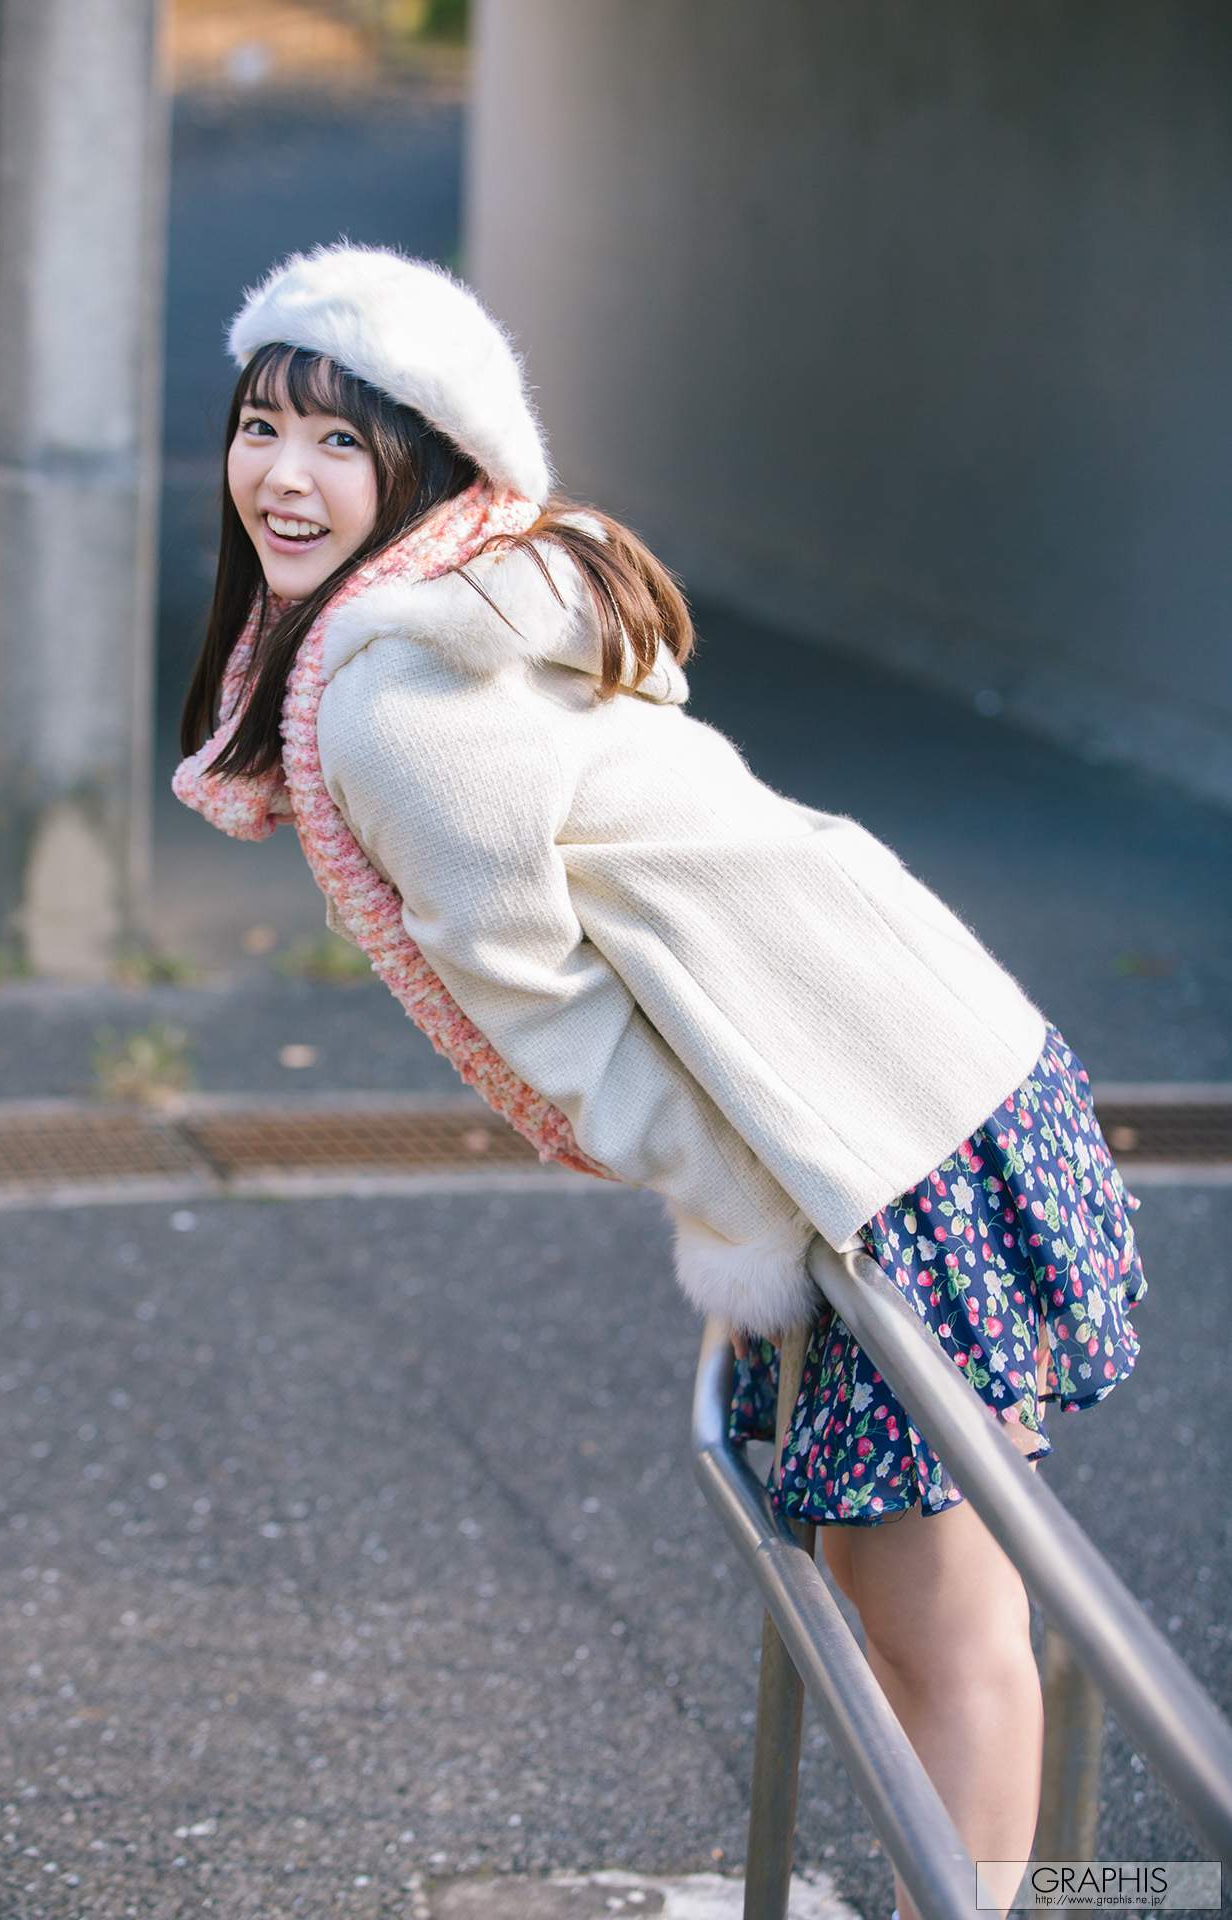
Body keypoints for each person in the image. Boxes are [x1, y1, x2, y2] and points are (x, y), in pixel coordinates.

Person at [172, 241, 1147, 1920]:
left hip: (883, 1136)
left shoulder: (398, 696)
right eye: (263, 426)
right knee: (909, 1610)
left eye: (341, 439)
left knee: (944, 1632)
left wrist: (736, 1203)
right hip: (920, 1072)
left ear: (433, 462)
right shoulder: (478, 599)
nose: (285, 475)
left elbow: (556, 1028)